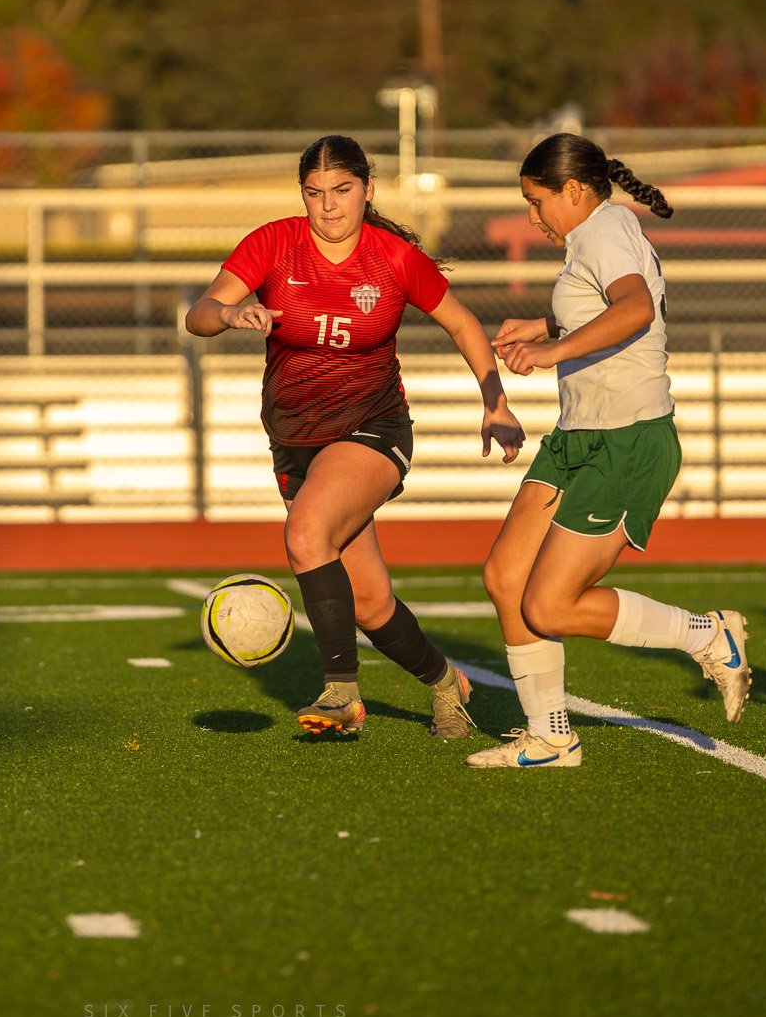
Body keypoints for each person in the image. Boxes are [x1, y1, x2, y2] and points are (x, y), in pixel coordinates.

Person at [186, 134, 524, 739]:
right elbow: (200, 313)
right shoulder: (273, 243)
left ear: (368, 190)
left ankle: (341, 694)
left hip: (373, 427)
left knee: (305, 534)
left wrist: (494, 402)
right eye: (314, 193)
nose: (328, 206)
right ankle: (447, 682)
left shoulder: (393, 257)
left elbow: (463, 323)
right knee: (368, 603)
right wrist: (230, 313)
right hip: (294, 440)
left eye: (342, 190)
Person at [468, 133, 749, 769]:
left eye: (536, 202)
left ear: (573, 190)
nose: (532, 217)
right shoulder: (593, 235)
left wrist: (551, 350)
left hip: (628, 439)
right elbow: (601, 304)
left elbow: (635, 309)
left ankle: (708, 635)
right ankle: (550, 736)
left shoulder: (604, 229)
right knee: (506, 577)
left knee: (549, 604)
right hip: (579, 434)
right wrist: (544, 325)